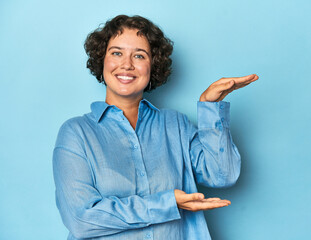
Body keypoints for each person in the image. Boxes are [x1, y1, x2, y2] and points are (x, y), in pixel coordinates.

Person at [52, 14, 258, 240]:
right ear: (102, 60)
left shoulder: (176, 125)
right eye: (117, 53)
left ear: (153, 66)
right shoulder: (76, 133)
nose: (127, 64)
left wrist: (211, 107)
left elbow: (222, 175)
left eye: (139, 55)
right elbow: (82, 219)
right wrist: (167, 203)